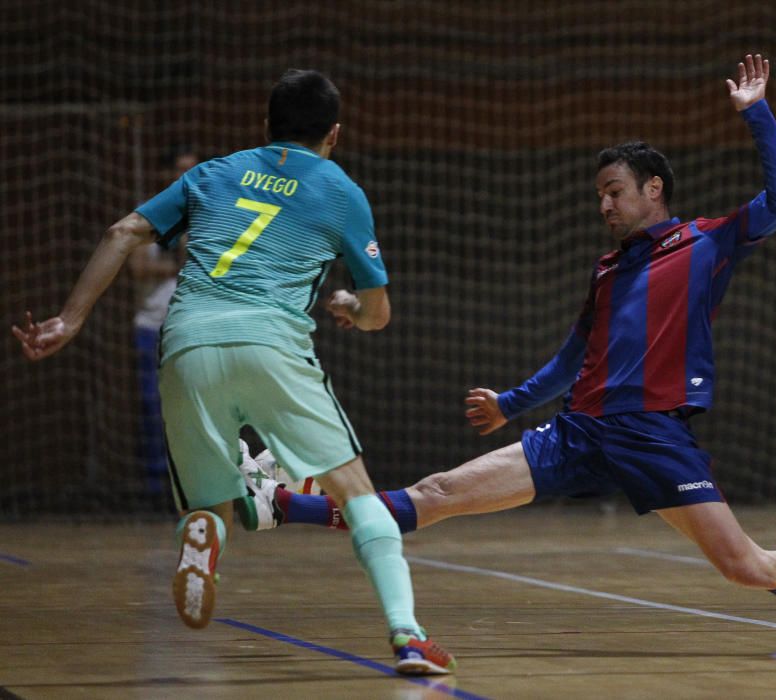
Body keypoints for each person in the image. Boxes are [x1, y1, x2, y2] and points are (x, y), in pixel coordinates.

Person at [237, 55, 776, 650]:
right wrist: (511, 403)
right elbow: (575, 354)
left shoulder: (706, 242)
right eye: (599, 195)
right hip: (579, 432)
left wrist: (754, 111)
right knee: (436, 494)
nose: (603, 206)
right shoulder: (606, 270)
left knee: (744, 567)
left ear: (652, 190)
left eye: (614, 192)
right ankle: (273, 506)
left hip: (655, 436)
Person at [12, 68, 455, 675]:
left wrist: (68, 319)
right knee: (356, 495)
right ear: (334, 134)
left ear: (264, 125)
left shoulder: (213, 171)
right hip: (270, 343)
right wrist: (350, 307)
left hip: (187, 342)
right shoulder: (341, 190)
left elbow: (124, 232)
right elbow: (378, 311)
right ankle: (408, 635)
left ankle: (203, 542)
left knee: (207, 503)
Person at [129, 148, 197, 498]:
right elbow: (138, 267)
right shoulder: (150, 214)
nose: (184, 177)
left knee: (192, 407)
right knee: (153, 409)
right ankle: (156, 486)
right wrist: (175, 265)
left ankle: (192, 481)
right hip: (150, 325)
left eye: (192, 170)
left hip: (188, 329)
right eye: (179, 170)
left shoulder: (204, 215)